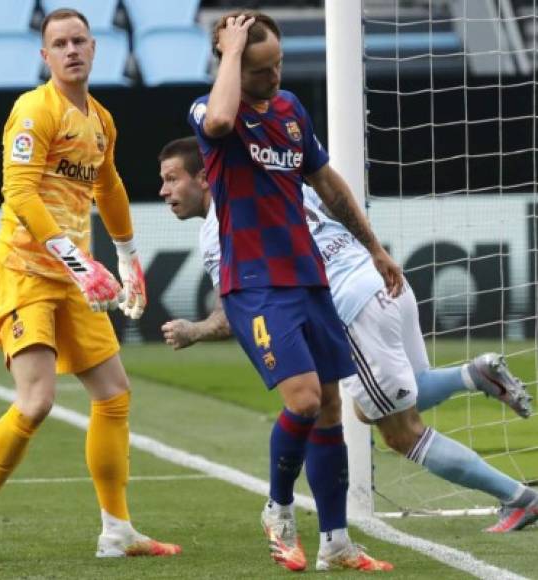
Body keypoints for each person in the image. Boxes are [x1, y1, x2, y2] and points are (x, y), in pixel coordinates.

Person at [157, 135, 537, 535]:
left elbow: (236, 312)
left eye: (171, 178)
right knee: (381, 401)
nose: (164, 191)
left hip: (349, 308)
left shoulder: (220, 228)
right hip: (384, 280)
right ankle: (472, 375)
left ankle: (519, 499)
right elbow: (334, 200)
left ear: (203, 177)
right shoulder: (277, 180)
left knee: (400, 432)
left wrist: (193, 331)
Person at [188, 11, 400, 572]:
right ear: (232, 62)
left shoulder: (290, 112)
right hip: (253, 284)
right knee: (303, 399)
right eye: (261, 69)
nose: (275, 77)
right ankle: (278, 508)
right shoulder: (211, 111)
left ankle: (336, 541)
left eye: (278, 64)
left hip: (307, 277)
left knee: (329, 406)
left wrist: (375, 247)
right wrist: (232, 54)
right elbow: (218, 122)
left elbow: (326, 182)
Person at [0, 9, 181, 565]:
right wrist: (77, 261)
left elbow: (109, 184)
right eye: (59, 44)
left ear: (95, 48)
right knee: (37, 401)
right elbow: (18, 195)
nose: (71, 50)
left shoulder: (101, 119)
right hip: (24, 270)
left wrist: (128, 255)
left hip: (73, 275)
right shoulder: (32, 110)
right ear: (44, 57)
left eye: (79, 41)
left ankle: (117, 530)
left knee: (113, 394)